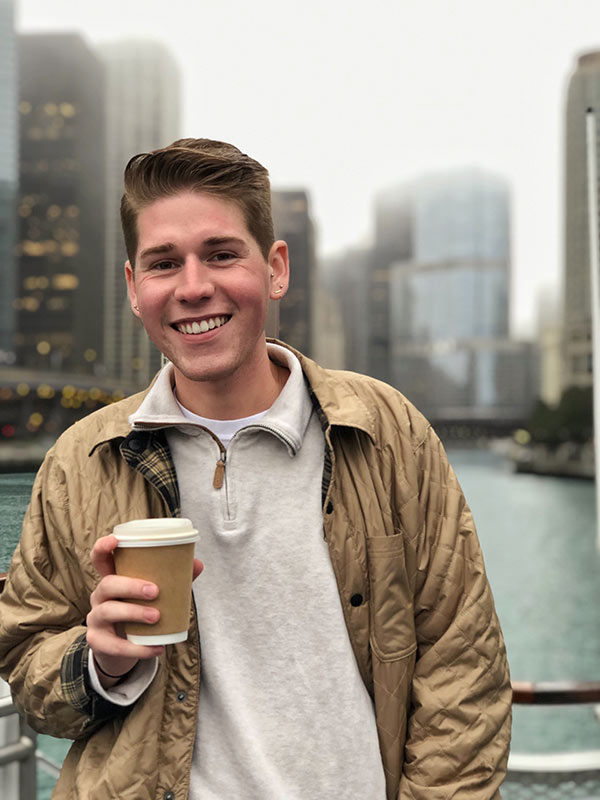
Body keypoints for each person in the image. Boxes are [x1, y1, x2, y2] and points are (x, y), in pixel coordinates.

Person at [0, 138, 511, 799]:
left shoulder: (387, 432)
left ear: (275, 268)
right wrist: (97, 663)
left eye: (220, 255)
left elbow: (462, 672)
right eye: (163, 263)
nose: (193, 287)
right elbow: (27, 670)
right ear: (133, 287)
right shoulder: (80, 460)